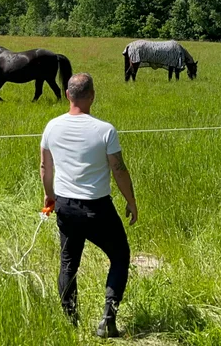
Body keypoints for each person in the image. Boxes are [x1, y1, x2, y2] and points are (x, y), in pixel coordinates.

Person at [40, 73, 138, 339]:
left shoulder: (52, 127)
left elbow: (45, 168)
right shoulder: (104, 130)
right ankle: (108, 318)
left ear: (68, 95)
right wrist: (131, 201)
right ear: (92, 95)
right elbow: (119, 169)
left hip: (66, 206)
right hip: (98, 208)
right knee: (119, 256)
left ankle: (71, 321)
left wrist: (50, 197)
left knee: (69, 263)